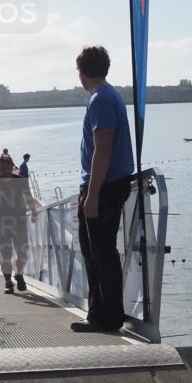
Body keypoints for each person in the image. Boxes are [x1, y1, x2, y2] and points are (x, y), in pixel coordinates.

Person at [71, 46, 135, 332]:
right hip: (107, 184)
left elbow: (103, 150)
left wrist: (92, 195)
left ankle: (106, 317)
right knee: (96, 251)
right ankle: (100, 313)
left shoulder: (101, 100)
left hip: (104, 187)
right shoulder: (109, 96)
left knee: (100, 253)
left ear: (82, 72)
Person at [0, 153, 39, 293]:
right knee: (6, 254)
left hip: (19, 222)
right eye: (2, 167)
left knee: (23, 253)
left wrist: (34, 212)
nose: (5, 170)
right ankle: (8, 282)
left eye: (7, 167)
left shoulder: (20, 182)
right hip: (1, 224)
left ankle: (19, 274)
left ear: (12, 167)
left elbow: (29, 197)